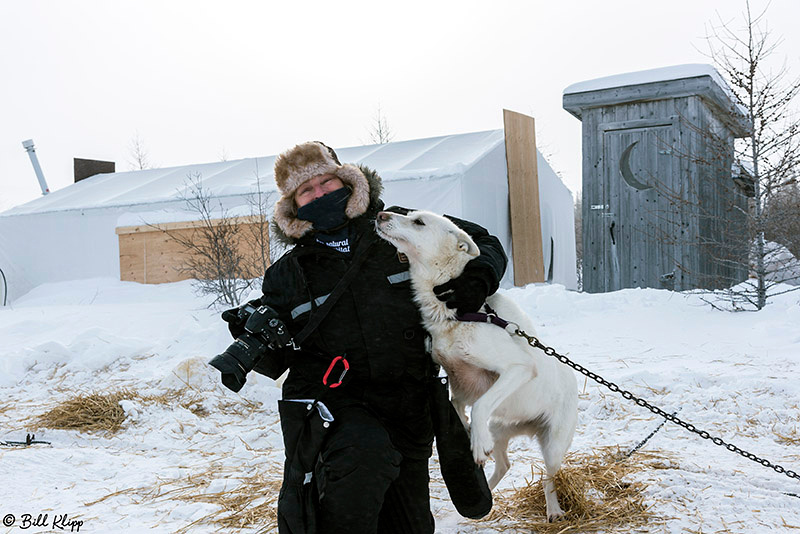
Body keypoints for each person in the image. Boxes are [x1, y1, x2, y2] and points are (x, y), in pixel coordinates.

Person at [223, 141, 507, 534]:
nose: (320, 193)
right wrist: (253, 333)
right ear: (293, 205)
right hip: (341, 407)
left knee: (409, 524)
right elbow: (281, 355)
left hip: (410, 404)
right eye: (307, 190)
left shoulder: (400, 226)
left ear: (347, 180)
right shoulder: (288, 273)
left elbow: (484, 241)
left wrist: (479, 276)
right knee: (360, 472)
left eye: (326, 182)